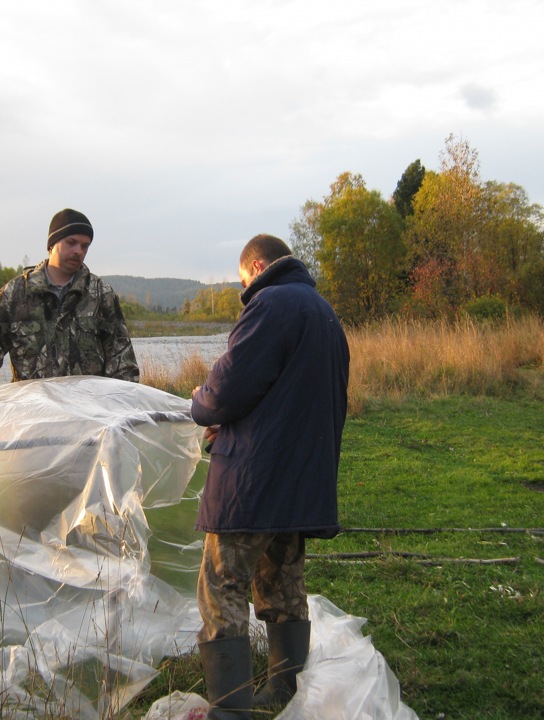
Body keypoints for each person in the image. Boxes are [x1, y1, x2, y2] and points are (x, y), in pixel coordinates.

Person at [189, 234, 350, 718]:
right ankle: (284, 691)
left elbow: (225, 391)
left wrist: (201, 400)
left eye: (243, 281)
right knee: (283, 584)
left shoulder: (269, 305)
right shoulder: (324, 314)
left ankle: (230, 709)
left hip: (253, 481)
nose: (245, 289)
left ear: (256, 266)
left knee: (223, 584)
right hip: (301, 480)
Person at [0, 209, 139, 390]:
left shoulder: (100, 294)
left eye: (85, 246)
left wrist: (125, 400)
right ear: (52, 244)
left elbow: (120, 356)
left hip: (89, 413)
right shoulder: (15, 294)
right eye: (71, 243)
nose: (79, 251)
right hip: (32, 413)